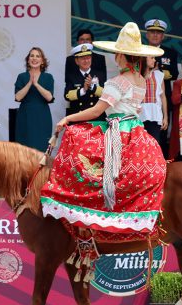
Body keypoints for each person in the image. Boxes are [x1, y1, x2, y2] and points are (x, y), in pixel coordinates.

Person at [41, 22, 166, 237]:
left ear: (122, 56)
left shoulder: (117, 82)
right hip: (137, 131)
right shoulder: (141, 79)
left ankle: (85, 210)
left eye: (117, 52)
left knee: (74, 138)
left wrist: (67, 119)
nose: (115, 56)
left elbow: (95, 111)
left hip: (119, 132)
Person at [145, 19, 178, 155]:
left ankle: (161, 162)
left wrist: (159, 72)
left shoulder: (170, 53)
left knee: (162, 133)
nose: (155, 35)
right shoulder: (140, 51)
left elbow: (175, 74)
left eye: (158, 33)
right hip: (143, 99)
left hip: (162, 97)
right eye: (152, 32)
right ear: (147, 34)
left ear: (163, 36)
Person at [14, 47, 54, 152]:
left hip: (42, 116)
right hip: (25, 116)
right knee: (24, 149)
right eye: (32, 56)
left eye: (38, 56)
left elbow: (49, 97)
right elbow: (18, 97)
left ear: (42, 61)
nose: (34, 58)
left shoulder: (48, 77)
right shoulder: (22, 76)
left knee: (41, 148)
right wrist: (29, 83)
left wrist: (36, 84)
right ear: (28, 60)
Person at [64, 44, 105, 121]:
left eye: (88, 58)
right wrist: (83, 90)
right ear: (76, 61)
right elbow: (67, 96)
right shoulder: (72, 76)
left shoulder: (99, 74)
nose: (86, 61)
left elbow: (104, 94)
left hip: (96, 119)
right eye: (82, 58)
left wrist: (92, 87)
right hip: (78, 118)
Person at [140, 55, 168, 143]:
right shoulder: (136, 74)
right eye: (151, 58)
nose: (154, 60)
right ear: (144, 59)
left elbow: (163, 97)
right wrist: (145, 77)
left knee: (154, 143)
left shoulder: (159, 75)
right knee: (140, 144)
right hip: (139, 115)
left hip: (155, 114)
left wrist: (165, 117)